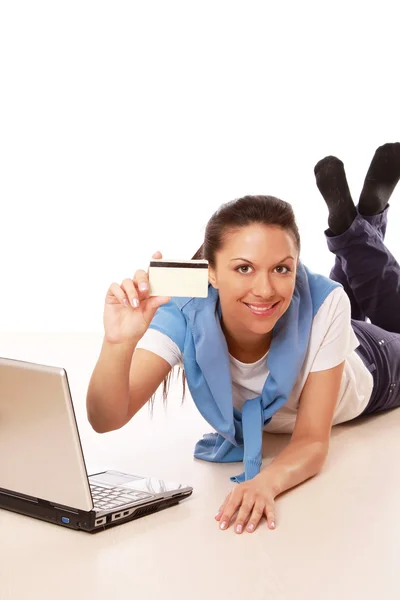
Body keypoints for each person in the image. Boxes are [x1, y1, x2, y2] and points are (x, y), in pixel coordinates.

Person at [86, 142, 400, 535]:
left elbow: (312, 442)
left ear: (297, 267)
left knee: (377, 313)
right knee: (343, 301)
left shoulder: (322, 302)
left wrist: (265, 483)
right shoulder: (184, 312)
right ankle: (363, 224)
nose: (265, 289)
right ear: (211, 273)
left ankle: (358, 229)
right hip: (320, 331)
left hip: (373, 365)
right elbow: (105, 418)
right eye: (244, 268)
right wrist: (118, 343)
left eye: (282, 269)